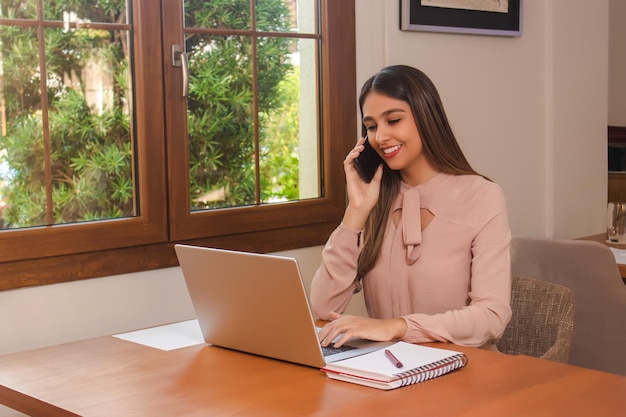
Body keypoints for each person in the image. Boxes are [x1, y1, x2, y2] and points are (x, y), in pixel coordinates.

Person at [310, 65, 511, 352]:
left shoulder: (482, 196)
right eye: (371, 126)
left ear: (426, 117)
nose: (380, 137)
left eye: (393, 120)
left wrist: (397, 326)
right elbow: (324, 306)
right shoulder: (374, 200)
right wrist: (355, 213)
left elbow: (492, 316)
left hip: (464, 372)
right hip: (386, 372)